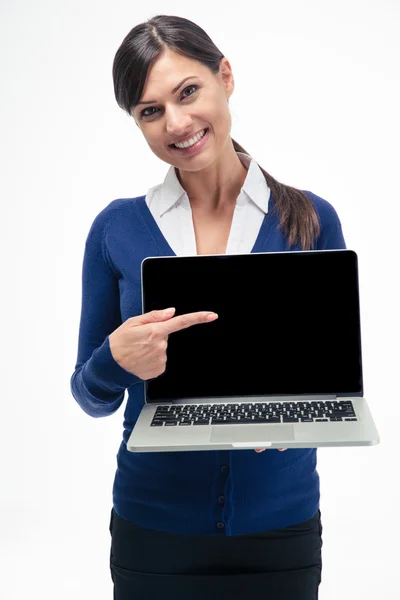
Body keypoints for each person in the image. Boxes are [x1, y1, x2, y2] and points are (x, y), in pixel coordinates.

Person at [70, 14, 347, 600]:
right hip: (153, 532)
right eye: (150, 110)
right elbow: (90, 396)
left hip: (282, 531)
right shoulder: (117, 229)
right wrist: (113, 360)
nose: (177, 122)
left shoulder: (311, 220)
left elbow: (332, 383)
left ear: (225, 76)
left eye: (188, 92)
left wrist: (295, 426)